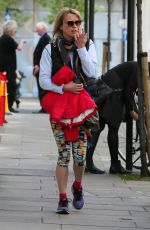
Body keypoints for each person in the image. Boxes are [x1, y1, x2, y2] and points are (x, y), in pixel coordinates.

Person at [39, 8, 98, 214]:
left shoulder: (88, 45)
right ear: (60, 26)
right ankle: (63, 198)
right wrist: (64, 87)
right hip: (60, 109)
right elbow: (43, 80)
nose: (74, 26)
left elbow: (92, 73)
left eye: (77, 22)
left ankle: (78, 186)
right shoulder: (50, 48)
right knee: (63, 155)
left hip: (81, 110)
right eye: (70, 23)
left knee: (80, 156)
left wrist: (81, 48)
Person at [86, 61, 139, 174]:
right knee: (113, 128)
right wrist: (131, 111)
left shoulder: (136, 66)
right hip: (114, 91)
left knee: (98, 127)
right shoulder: (139, 70)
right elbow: (128, 92)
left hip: (105, 88)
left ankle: (88, 162)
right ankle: (114, 165)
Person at [0, 20, 25, 113]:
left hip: (7, 67)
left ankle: (7, 106)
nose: (15, 31)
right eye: (14, 29)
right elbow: (19, 47)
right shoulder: (7, 38)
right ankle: (8, 107)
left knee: (8, 87)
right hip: (8, 68)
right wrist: (22, 41)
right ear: (10, 29)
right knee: (11, 87)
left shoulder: (4, 38)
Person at [33, 22, 51, 113]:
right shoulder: (44, 38)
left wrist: (38, 65)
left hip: (42, 69)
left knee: (43, 88)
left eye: (37, 28)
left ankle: (44, 107)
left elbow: (44, 55)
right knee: (41, 88)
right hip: (41, 68)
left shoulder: (46, 38)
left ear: (42, 29)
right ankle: (43, 107)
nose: (36, 30)